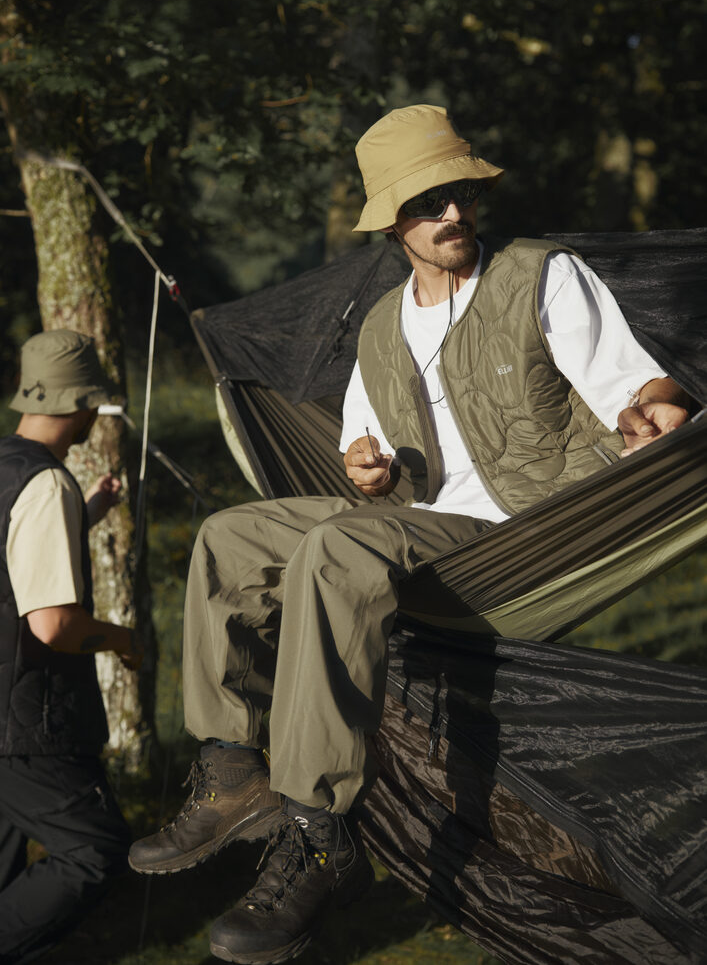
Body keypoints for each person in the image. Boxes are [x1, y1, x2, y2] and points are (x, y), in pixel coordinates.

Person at [130, 104, 690, 965]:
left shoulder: (542, 276)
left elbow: (639, 383)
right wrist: (367, 472)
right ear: (395, 222)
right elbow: (366, 454)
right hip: (413, 520)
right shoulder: (384, 324)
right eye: (430, 203)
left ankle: (319, 833)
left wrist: (656, 411)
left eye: (461, 194)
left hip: (522, 533)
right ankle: (232, 767)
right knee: (230, 539)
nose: (454, 214)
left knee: (334, 549)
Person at [0, 329, 143, 964]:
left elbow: (14, 556)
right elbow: (53, 624)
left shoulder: (8, 466)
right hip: (27, 717)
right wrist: (122, 639)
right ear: (82, 404)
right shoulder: (46, 486)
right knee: (94, 850)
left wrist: (88, 510)